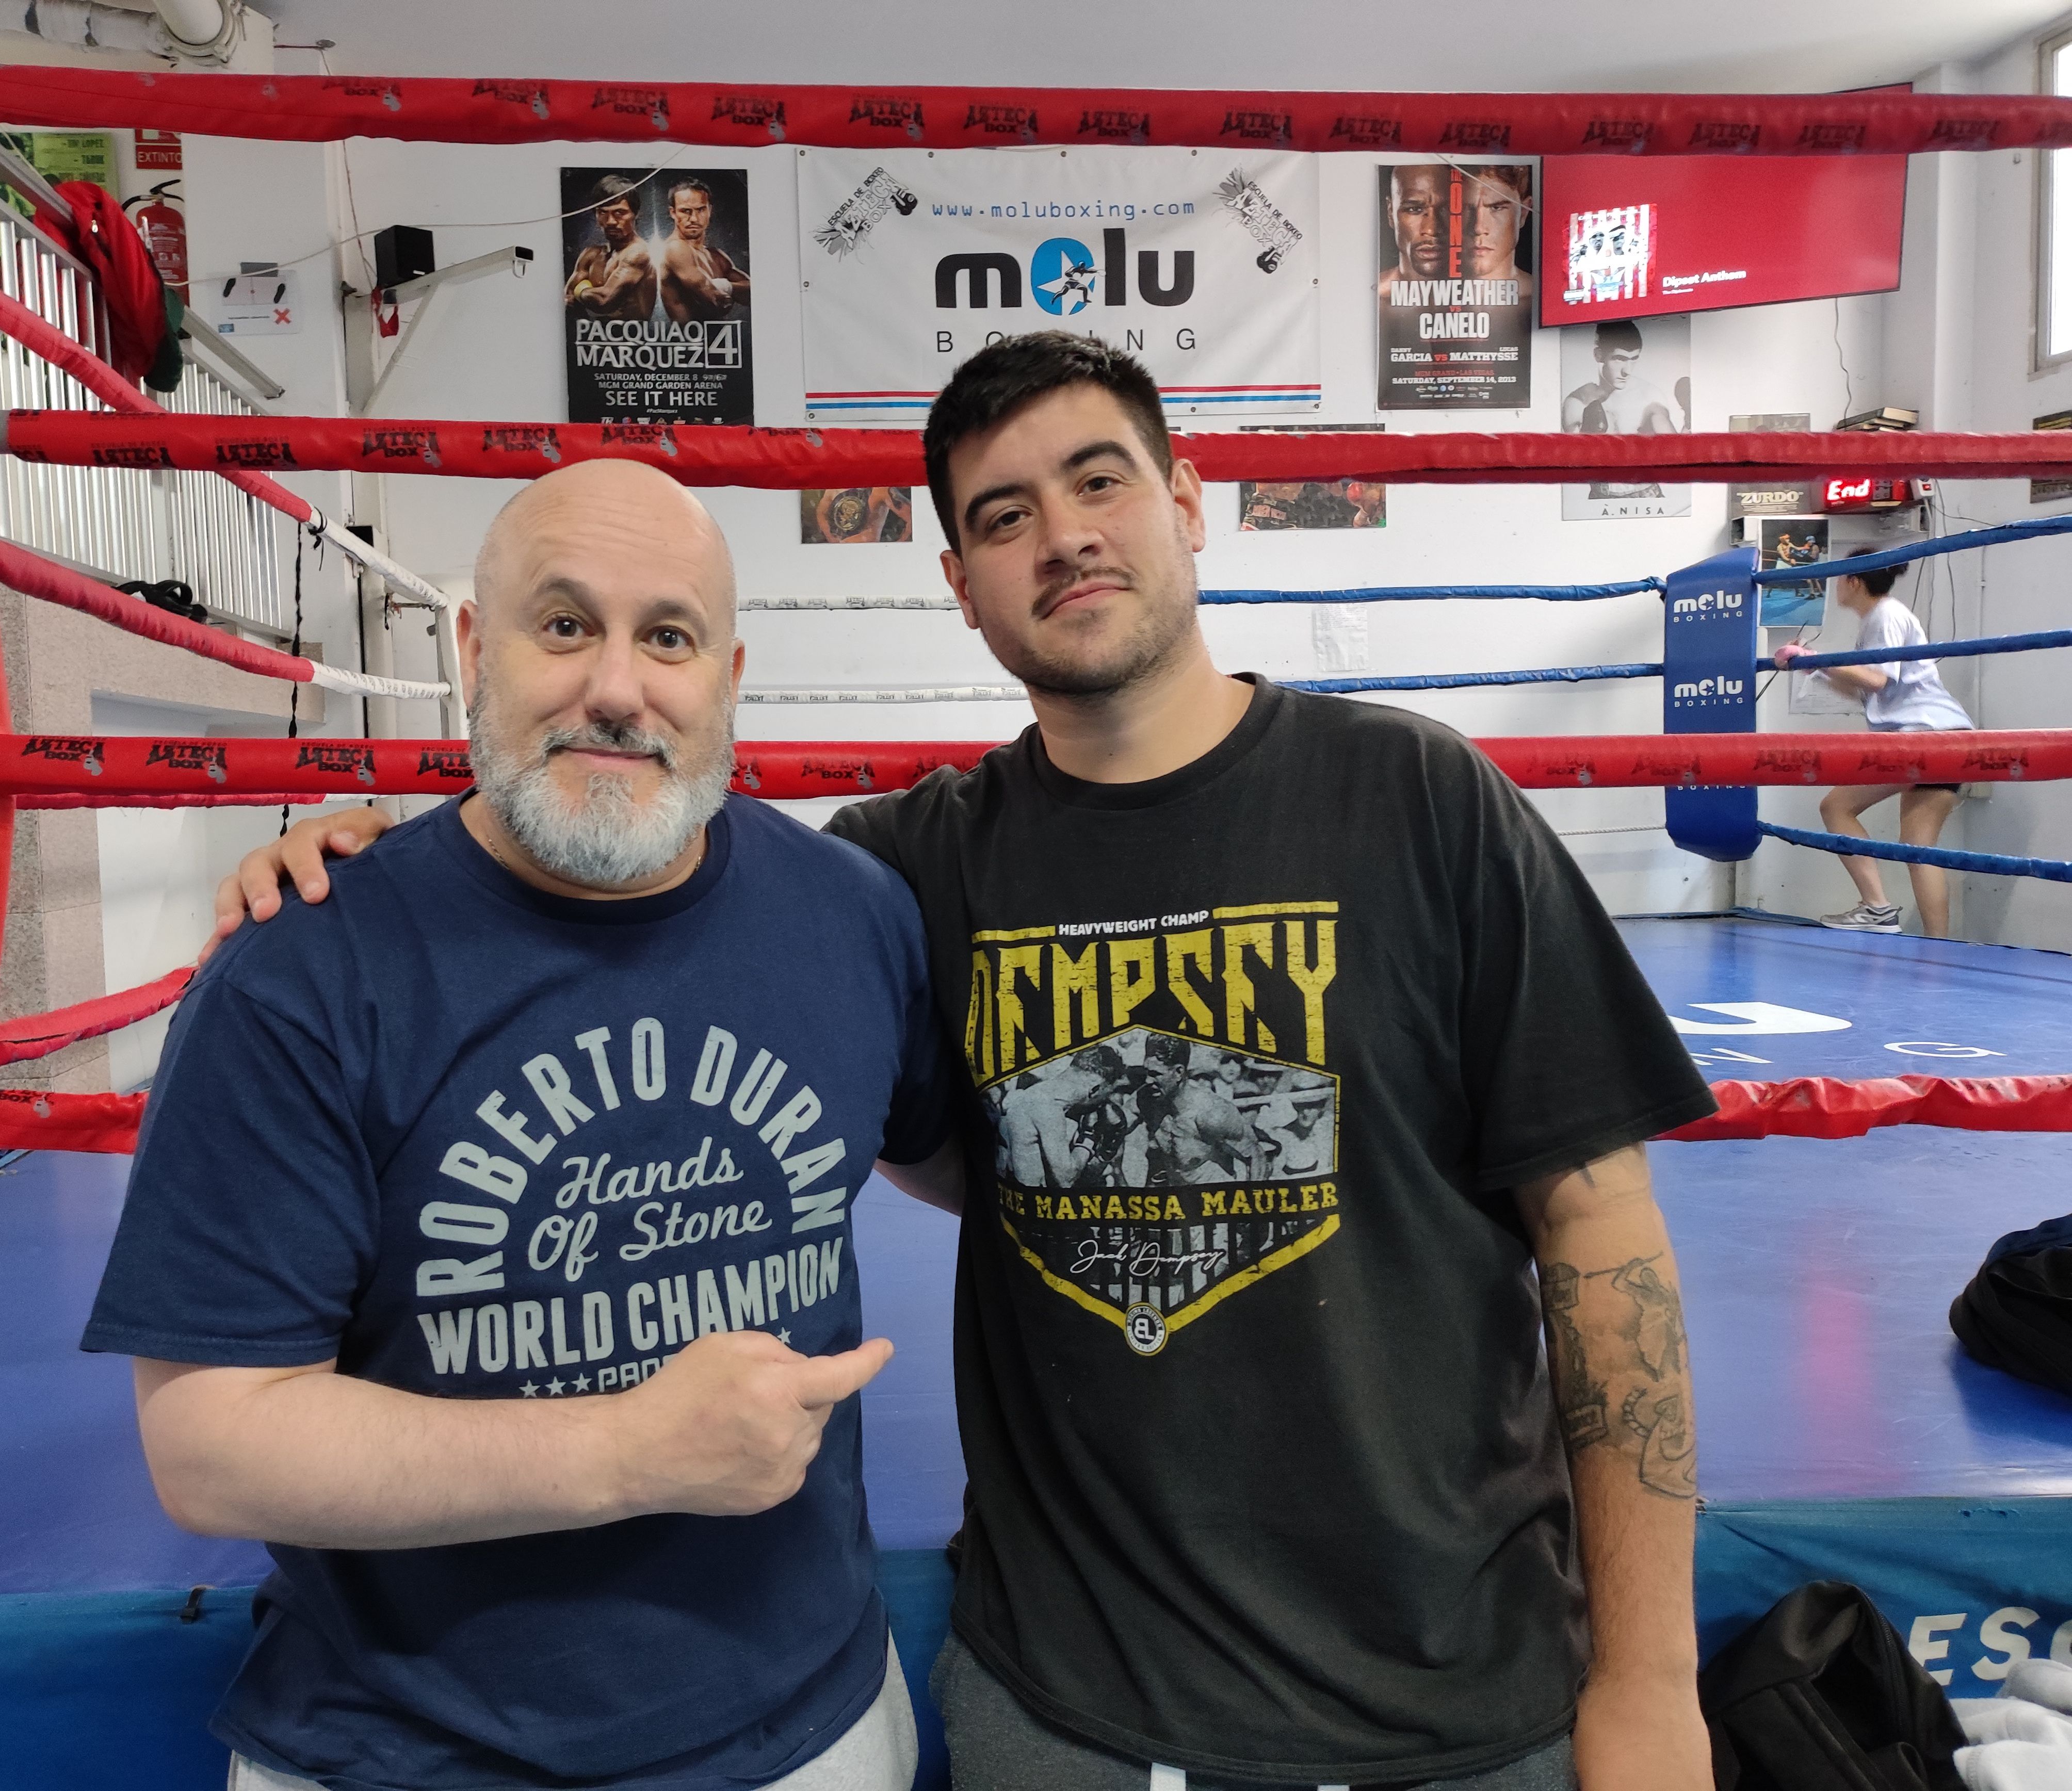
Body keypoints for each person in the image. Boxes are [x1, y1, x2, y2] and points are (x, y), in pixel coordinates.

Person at [216, 333, 1720, 1791]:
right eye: (1003, 516)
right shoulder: (899, 875)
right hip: (1072, 1705)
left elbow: (1600, 1229)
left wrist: (1648, 1679)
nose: (1060, 536)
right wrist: (377, 862)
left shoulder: (1422, 801)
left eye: (1098, 481)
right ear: (959, 584)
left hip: (1463, 1693)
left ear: (1186, 505)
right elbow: (631, 866)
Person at [86, 459, 962, 1791]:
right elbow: (209, 1443)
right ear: (472, 650)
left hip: (810, 1727)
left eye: (666, 637)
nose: (617, 686)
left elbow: (942, 1153)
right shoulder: (305, 966)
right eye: (566, 625)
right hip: (409, 1755)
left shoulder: (851, 917)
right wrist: (622, 1451)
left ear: (729, 679)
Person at [1772, 564, 1976, 936]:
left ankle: (1877, 909)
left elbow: (1877, 680)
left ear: (1854, 580)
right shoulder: (1879, 621)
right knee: (1919, 846)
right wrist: (1814, 669)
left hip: (1922, 736)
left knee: (1836, 807)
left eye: (1840, 579)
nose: (1837, 587)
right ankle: (1940, 946)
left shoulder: (1885, 614)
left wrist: (1817, 658)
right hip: (1950, 737)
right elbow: (1862, 690)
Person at [1561, 319, 1678, 436]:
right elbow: (1576, 451)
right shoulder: (1577, 403)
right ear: (1598, 355)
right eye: (1620, 359)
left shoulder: (1650, 398)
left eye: (1634, 359)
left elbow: (1675, 449)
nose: (1627, 371)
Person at [564, 174, 657, 320]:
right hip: (591, 338)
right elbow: (567, 299)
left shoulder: (638, 253)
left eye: (620, 213)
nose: (611, 221)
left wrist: (581, 290)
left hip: (634, 340)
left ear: (636, 214)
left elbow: (604, 301)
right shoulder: (590, 255)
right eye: (603, 213)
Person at [658, 175, 750, 323]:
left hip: (719, 343)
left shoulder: (716, 256)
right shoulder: (675, 249)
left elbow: (756, 294)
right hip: (690, 344)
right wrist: (731, 289)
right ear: (673, 213)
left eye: (701, 210)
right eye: (686, 211)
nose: (694, 219)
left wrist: (725, 286)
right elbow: (717, 303)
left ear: (710, 211)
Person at [1377, 162, 1450, 300]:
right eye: (1414, 209)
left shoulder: (1485, 298)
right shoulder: (1375, 298)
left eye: (1447, 209)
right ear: (1390, 212)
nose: (1431, 229)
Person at [1467, 165, 1534, 305]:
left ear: (1523, 214)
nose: (1478, 228)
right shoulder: (1425, 299)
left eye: (1496, 208)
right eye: (1465, 208)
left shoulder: (1540, 298)